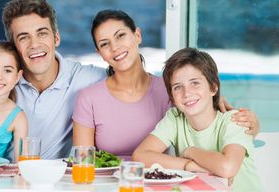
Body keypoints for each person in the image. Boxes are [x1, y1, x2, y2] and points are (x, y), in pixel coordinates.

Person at [0, 0, 259, 161]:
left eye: (41, 34)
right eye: (23, 38)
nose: (34, 45)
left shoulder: (88, 80)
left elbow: (128, 79)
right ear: (14, 48)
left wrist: (217, 103)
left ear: (57, 38)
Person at [72, 9, 261, 160]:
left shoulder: (174, 90)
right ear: (99, 52)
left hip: (163, 181)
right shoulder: (89, 98)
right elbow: (83, 161)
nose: (115, 47)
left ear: (137, 35)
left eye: (120, 35)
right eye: (105, 44)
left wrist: (251, 125)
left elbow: (216, 130)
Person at [132, 48, 264, 192]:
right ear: (172, 97)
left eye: (195, 83)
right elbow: (140, 156)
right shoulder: (175, 118)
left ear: (213, 87)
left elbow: (227, 167)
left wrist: (190, 151)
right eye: (177, 87)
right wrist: (189, 165)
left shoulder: (234, 120)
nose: (186, 93)